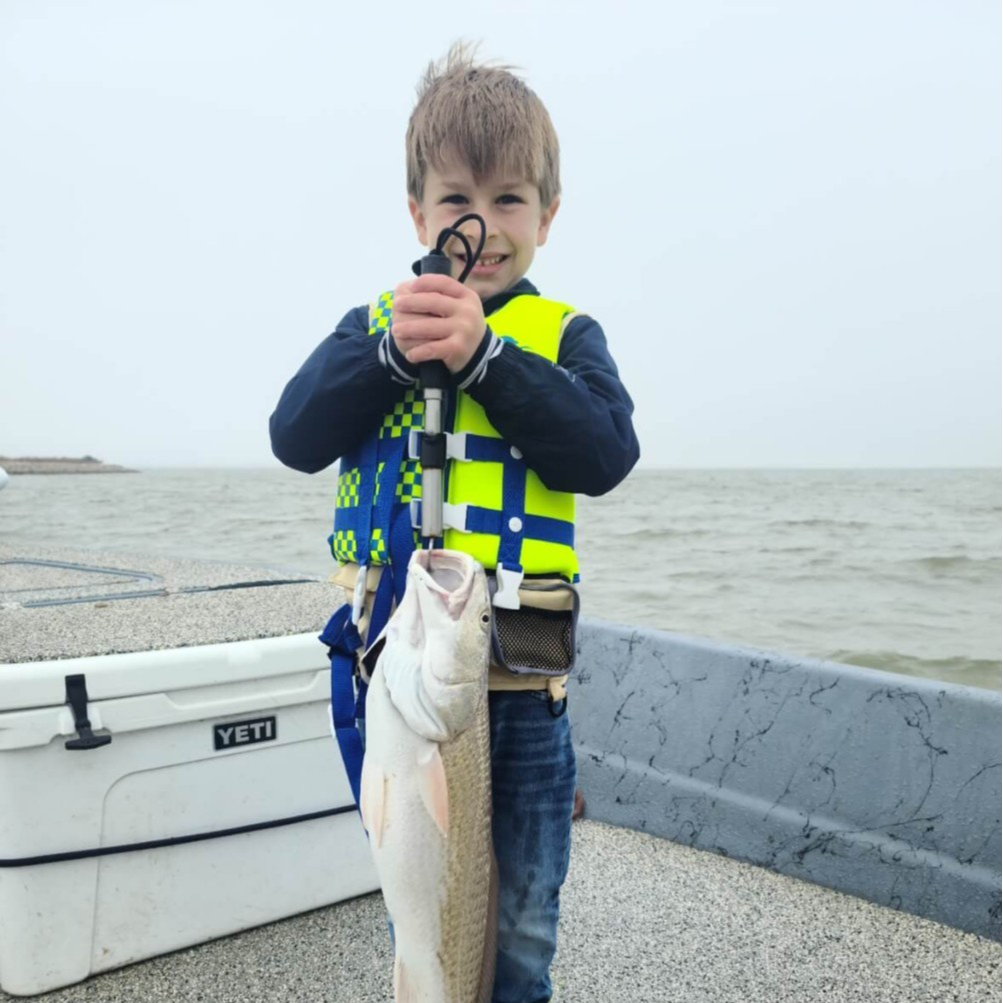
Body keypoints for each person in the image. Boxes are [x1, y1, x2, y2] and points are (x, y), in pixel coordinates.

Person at [270, 42, 639, 1003]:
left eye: (509, 198)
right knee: (420, 902)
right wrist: (389, 356)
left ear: (547, 215)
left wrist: (485, 360)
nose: (484, 223)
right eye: (456, 199)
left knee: (518, 917)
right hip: (390, 674)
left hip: (517, 679)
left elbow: (604, 453)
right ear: (418, 214)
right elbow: (294, 435)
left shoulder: (564, 337)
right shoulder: (371, 326)